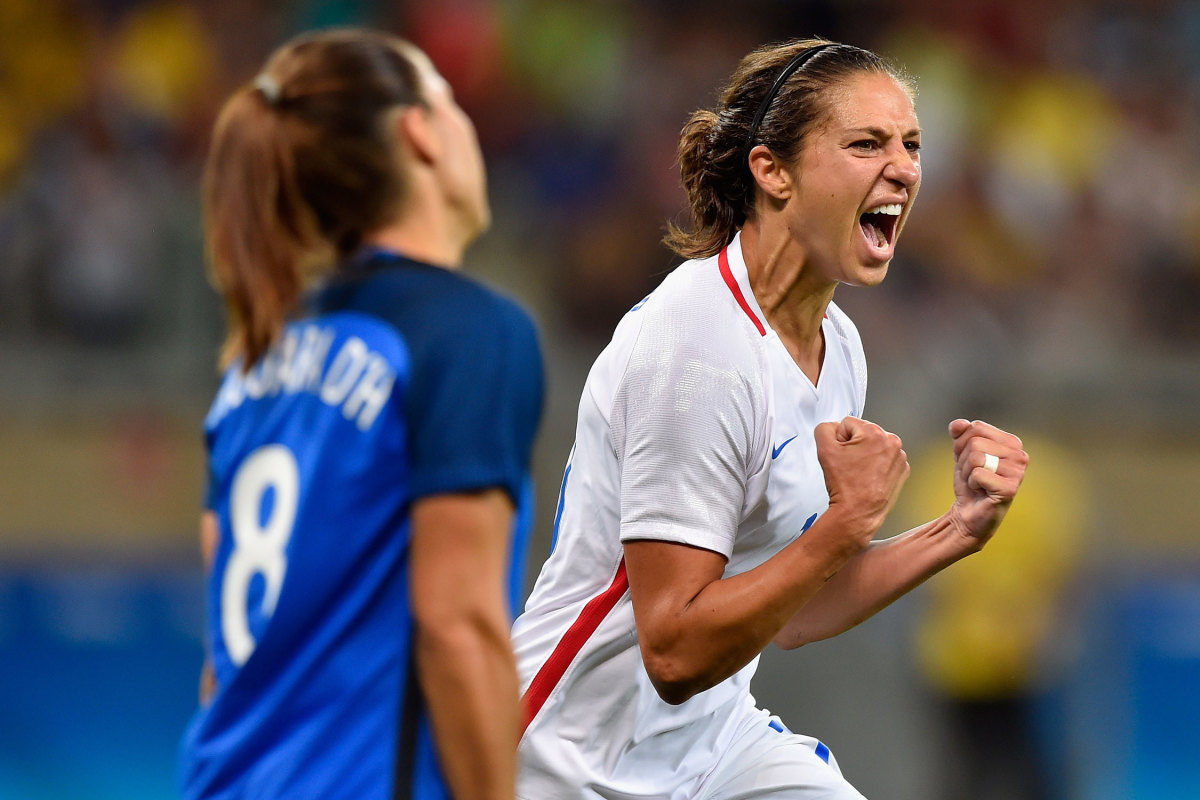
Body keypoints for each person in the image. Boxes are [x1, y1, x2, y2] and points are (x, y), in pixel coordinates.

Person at [511, 37, 1028, 800]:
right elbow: (674, 652)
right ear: (772, 171)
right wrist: (844, 525)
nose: (904, 168)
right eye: (867, 144)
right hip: (575, 761)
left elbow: (793, 607)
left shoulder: (838, 346)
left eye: (912, 145)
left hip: (714, 745)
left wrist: (957, 529)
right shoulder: (698, 345)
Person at [179, 28, 543, 800]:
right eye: (449, 98)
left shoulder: (251, 366)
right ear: (419, 132)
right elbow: (458, 625)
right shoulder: (466, 332)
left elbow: (223, 664)